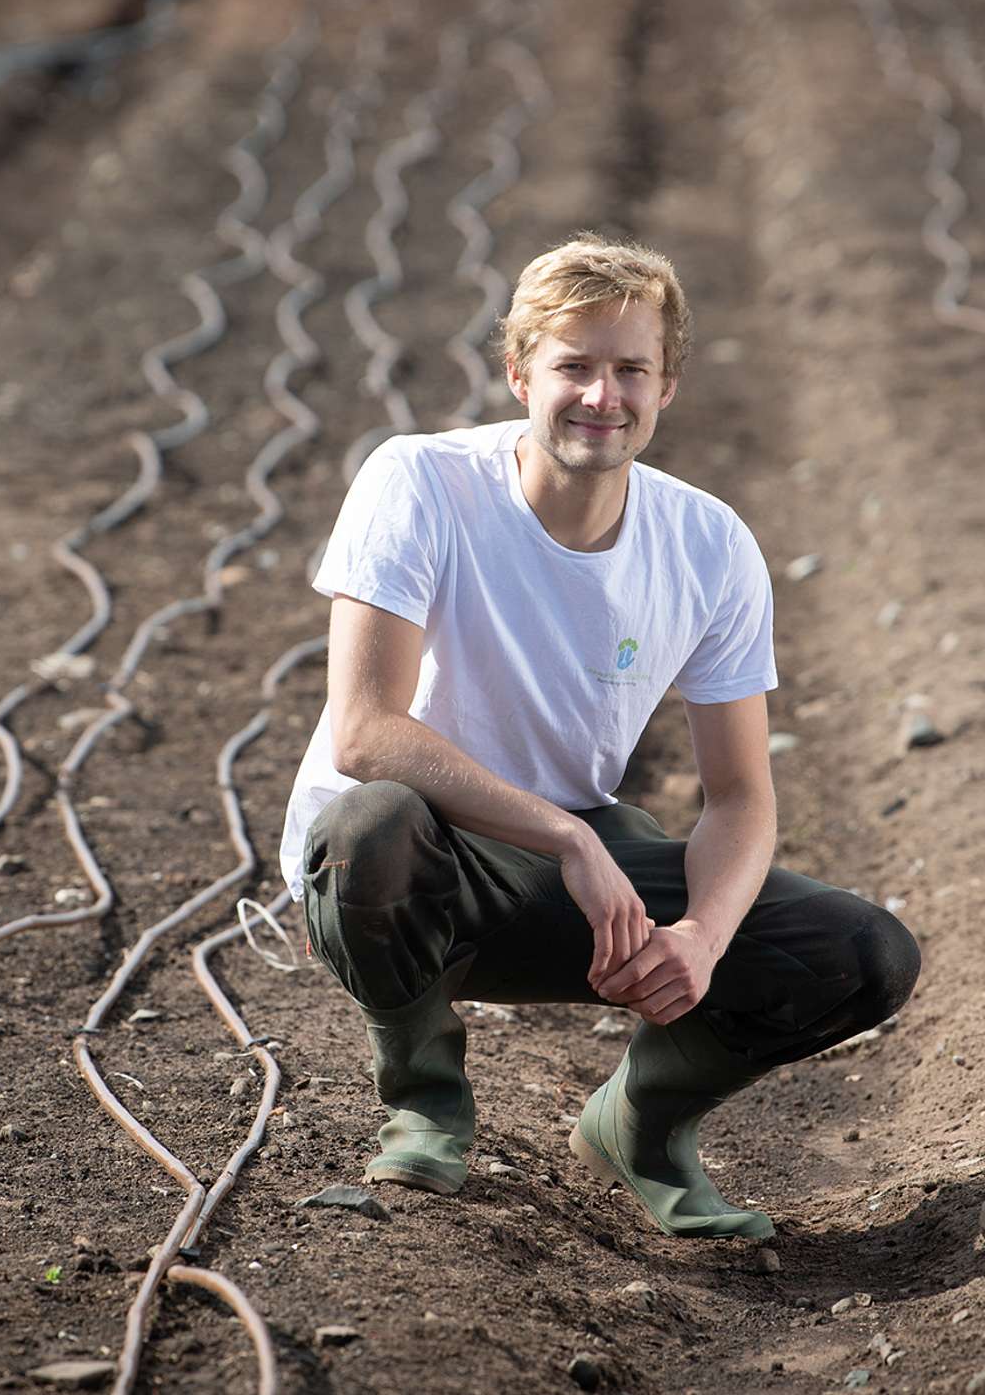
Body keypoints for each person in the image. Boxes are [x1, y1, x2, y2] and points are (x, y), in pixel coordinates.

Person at [278, 233, 920, 1241]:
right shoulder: (420, 483)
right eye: (573, 365)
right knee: (372, 825)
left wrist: (700, 937)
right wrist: (572, 839)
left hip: (558, 865)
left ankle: (641, 1126)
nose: (600, 396)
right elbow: (363, 733)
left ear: (668, 385)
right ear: (518, 372)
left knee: (861, 952)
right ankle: (425, 1101)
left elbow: (739, 796)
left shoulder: (707, 544)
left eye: (630, 369)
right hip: (412, 869)